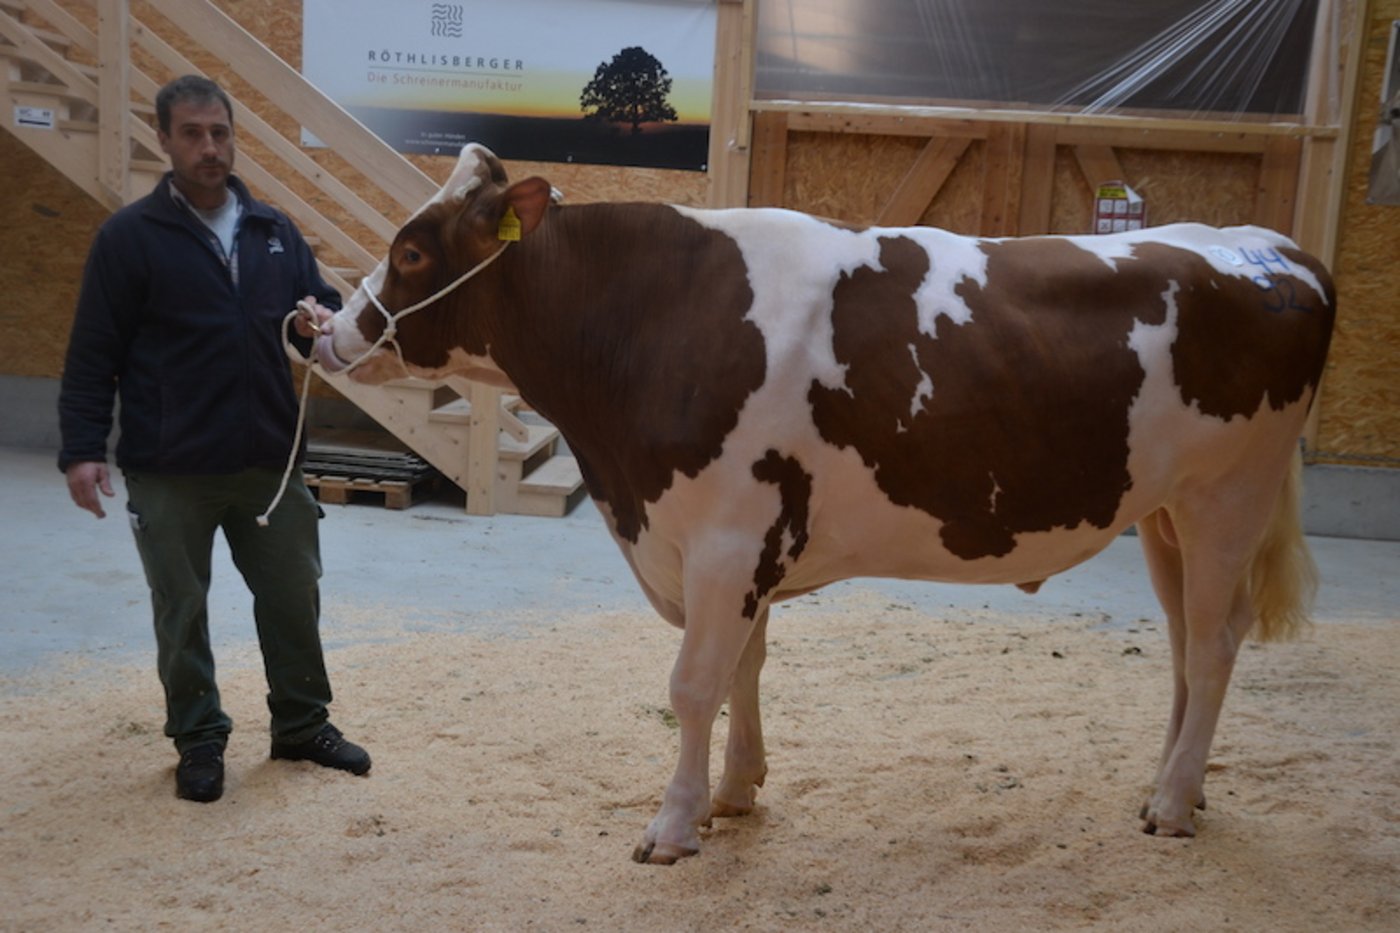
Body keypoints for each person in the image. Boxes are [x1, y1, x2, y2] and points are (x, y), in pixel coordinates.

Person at [58, 75, 368, 802]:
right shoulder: (129, 238)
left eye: (220, 133)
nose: (209, 147)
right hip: (170, 466)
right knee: (181, 608)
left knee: (293, 594)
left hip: (269, 460)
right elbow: (93, 352)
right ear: (164, 139)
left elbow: (318, 309)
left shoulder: (272, 230)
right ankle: (198, 737)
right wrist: (82, 450)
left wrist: (318, 319)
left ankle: (301, 723)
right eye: (193, 133)